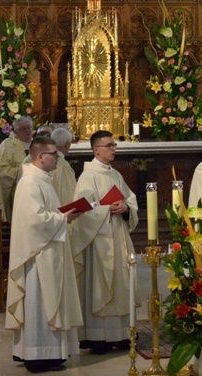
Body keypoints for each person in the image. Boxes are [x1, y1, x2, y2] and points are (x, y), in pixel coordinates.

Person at [5, 136, 83, 372]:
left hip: (48, 249)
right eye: (53, 154)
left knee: (47, 303)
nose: (58, 158)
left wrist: (61, 215)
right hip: (38, 256)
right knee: (40, 304)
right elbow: (34, 222)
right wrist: (63, 218)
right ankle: (38, 356)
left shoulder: (42, 180)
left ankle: (49, 354)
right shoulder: (30, 183)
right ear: (41, 156)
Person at [71, 130, 139, 354]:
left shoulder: (115, 174)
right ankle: (98, 336)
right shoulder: (87, 176)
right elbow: (81, 210)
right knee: (101, 287)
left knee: (121, 285)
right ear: (95, 149)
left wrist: (126, 208)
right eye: (109, 145)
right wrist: (105, 209)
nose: (113, 149)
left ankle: (120, 335)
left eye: (114, 145)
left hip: (118, 236)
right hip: (98, 241)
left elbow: (130, 199)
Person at [18, 127, 77, 206]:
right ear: (68, 145)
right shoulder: (63, 166)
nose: (56, 158)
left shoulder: (29, 161)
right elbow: (68, 197)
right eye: (53, 155)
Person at [0, 116, 33, 222]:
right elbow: (2, 170)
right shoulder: (7, 145)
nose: (27, 130)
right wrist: (22, 171)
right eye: (24, 128)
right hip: (15, 190)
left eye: (29, 127)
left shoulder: (36, 144)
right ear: (16, 132)